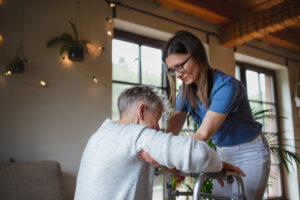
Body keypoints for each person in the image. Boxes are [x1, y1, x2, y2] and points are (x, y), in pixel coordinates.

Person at [74, 86, 243, 200]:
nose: (157, 127)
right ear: (141, 111)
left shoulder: (101, 134)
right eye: (155, 119)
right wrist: (219, 164)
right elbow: (199, 154)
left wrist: (161, 163)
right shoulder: (136, 134)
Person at [163, 31, 270, 200]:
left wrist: (177, 159)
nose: (177, 74)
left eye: (180, 66)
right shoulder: (184, 93)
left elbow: (203, 134)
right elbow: (171, 132)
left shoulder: (226, 86)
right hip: (223, 153)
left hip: (250, 153)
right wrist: (161, 154)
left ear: (197, 56)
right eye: (171, 70)